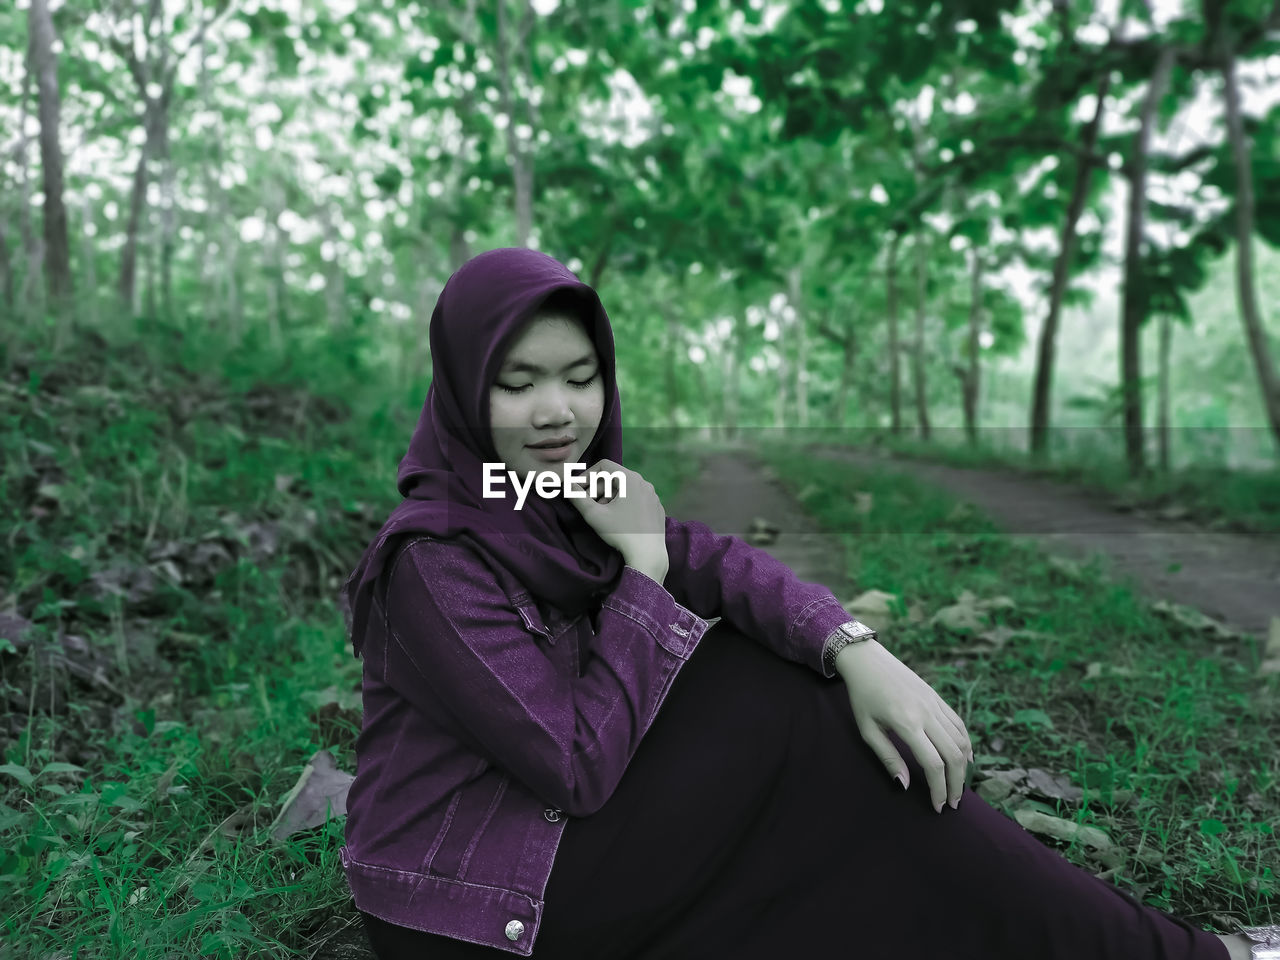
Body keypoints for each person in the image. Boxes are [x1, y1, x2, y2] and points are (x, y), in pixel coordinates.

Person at [338, 246, 1264, 960]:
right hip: (464, 903)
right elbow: (574, 762)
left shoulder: (565, 498)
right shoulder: (433, 561)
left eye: (581, 378)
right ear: (465, 388)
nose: (558, 413)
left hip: (559, 854)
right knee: (777, 708)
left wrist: (861, 651)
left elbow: (726, 563)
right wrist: (643, 575)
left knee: (800, 701)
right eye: (519, 382)